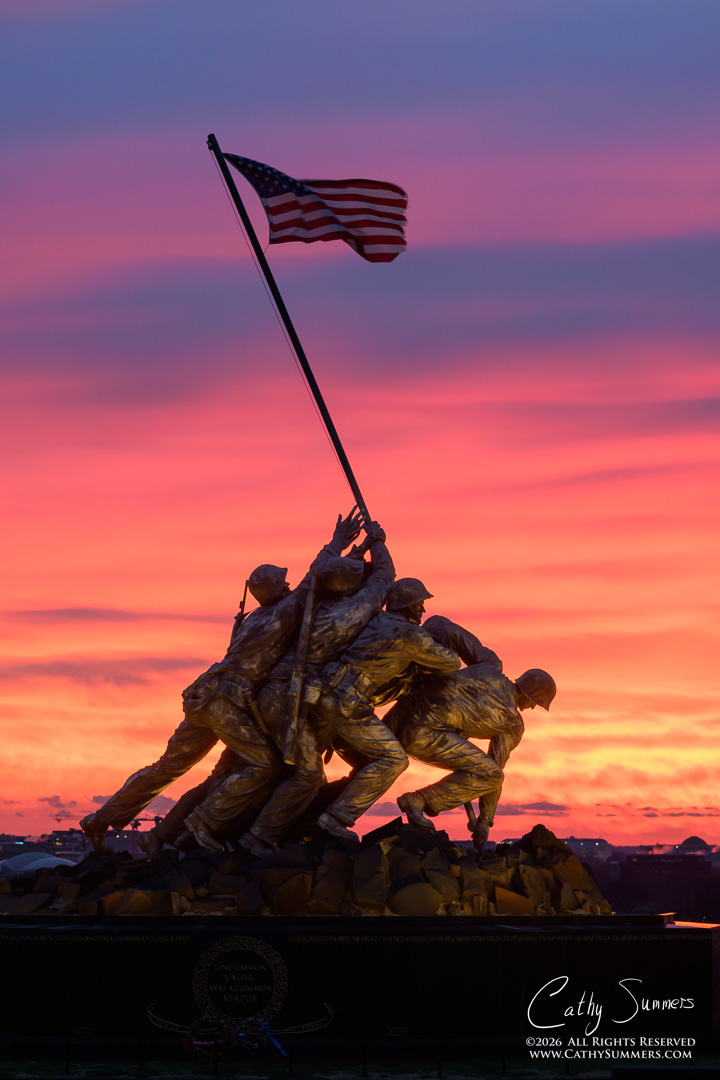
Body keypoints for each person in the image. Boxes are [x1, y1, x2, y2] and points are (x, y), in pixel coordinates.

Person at [79, 510, 363, 853]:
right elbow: (312, 581)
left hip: (205, 695)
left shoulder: (250, 620)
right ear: (276, 590)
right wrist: (337, 543)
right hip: (225, 701)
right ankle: (204, 822)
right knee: (265, 765)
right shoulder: (279, 614)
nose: (290, 586)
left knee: (166, 768)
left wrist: (350, 557)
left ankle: (100, 819)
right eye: (283, 584)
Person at [185, 522, 395, 854]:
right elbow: (384, 579)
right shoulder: (350, 612)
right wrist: (379, 543)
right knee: (307, 775)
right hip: (287, 701)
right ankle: (254, 836)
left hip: (271, 698)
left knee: (297, 774)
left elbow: (318, 575)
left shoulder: (310, 605)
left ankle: (262, 831)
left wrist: (351, 546)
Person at [309, 577, 463, 841]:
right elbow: (451, 663)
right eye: (420, 604)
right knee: (394, 760)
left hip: (325, 696)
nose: (423, 611)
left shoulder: (375, 620)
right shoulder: (410, 634)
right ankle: (334, 819)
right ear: (408, 605)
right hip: (349, 706)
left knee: (368, 763)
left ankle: (311, 814)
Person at [386, 615, 556, 850]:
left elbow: (443, 626)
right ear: (531, 698)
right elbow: (494, 773)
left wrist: (425, 643)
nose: (533, 707)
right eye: (536, 703)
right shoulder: (512, 724)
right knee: (491, 774)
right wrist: (485, 819)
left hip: (398, 714)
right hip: (420, 736)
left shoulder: (489, 664)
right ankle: (420, 800)